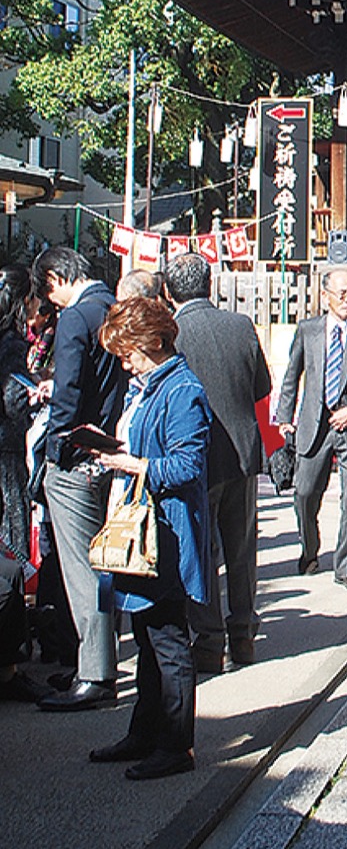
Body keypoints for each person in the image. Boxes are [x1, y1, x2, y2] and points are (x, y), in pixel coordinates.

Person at [89, 296, 210, 779]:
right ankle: (145, 731)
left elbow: (188, 465)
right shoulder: (149, 385)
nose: (125, 362)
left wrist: (132, 463)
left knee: (167, 637)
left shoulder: (182, 389)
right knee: (146, 632)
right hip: (144, 525)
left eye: (129, 351)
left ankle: (176, 744)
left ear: (154, 343)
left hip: (165, 532)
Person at [164, 253, 272, 673]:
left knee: (203, 550)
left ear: (171, 292)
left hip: (196, 455)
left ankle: (209, 642)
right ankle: (243, 634)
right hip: (242, 454)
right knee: (242, 548)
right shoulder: (240, 326)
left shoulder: (173, 332)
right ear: (210, 285)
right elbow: (261, 385)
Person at [33, 247, 126, 714]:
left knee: (81, 567)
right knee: (100, 563)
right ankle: (96, 660)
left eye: (47, 292)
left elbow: (68, 396)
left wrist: (54, 449)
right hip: (105, 447)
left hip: (76, 455)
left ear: (55, 279)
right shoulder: (112, 307)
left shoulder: (74, 318)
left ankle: (95, 671)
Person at [275, 267, 347, 588]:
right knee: (304, 493)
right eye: (341, 294)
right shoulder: (309, 330)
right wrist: (284, 416)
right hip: (315, 423)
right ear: (325, 296)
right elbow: (292, 374)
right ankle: (309, 549)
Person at [0, 265, 33, 568]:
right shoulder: (11, 342)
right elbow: (13, 397)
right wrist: (33, 396)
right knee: (12, 517)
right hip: (7, 445)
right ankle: (15, 599)